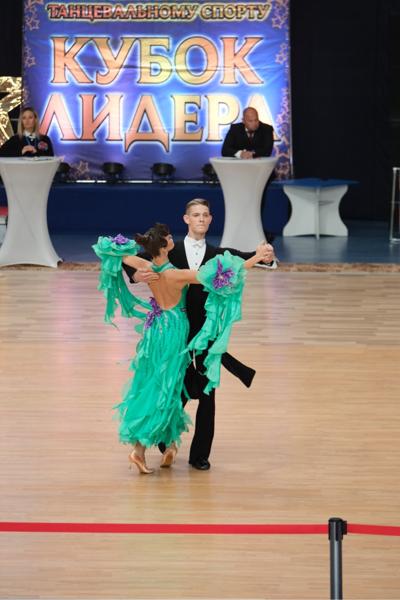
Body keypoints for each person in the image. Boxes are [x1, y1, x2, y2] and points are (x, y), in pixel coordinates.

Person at [93, 224, 270, 474]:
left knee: (158, 384)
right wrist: (256, 257)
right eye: (168, 237)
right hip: (175, 331)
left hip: (155, 329)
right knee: (168, 388)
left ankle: (168, 445)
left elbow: (109, 250)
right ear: (165, 247)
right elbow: (225, 275)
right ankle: (141, 450)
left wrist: (136, 275)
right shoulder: (177, 275)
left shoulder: (146, 266)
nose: (171, 238)